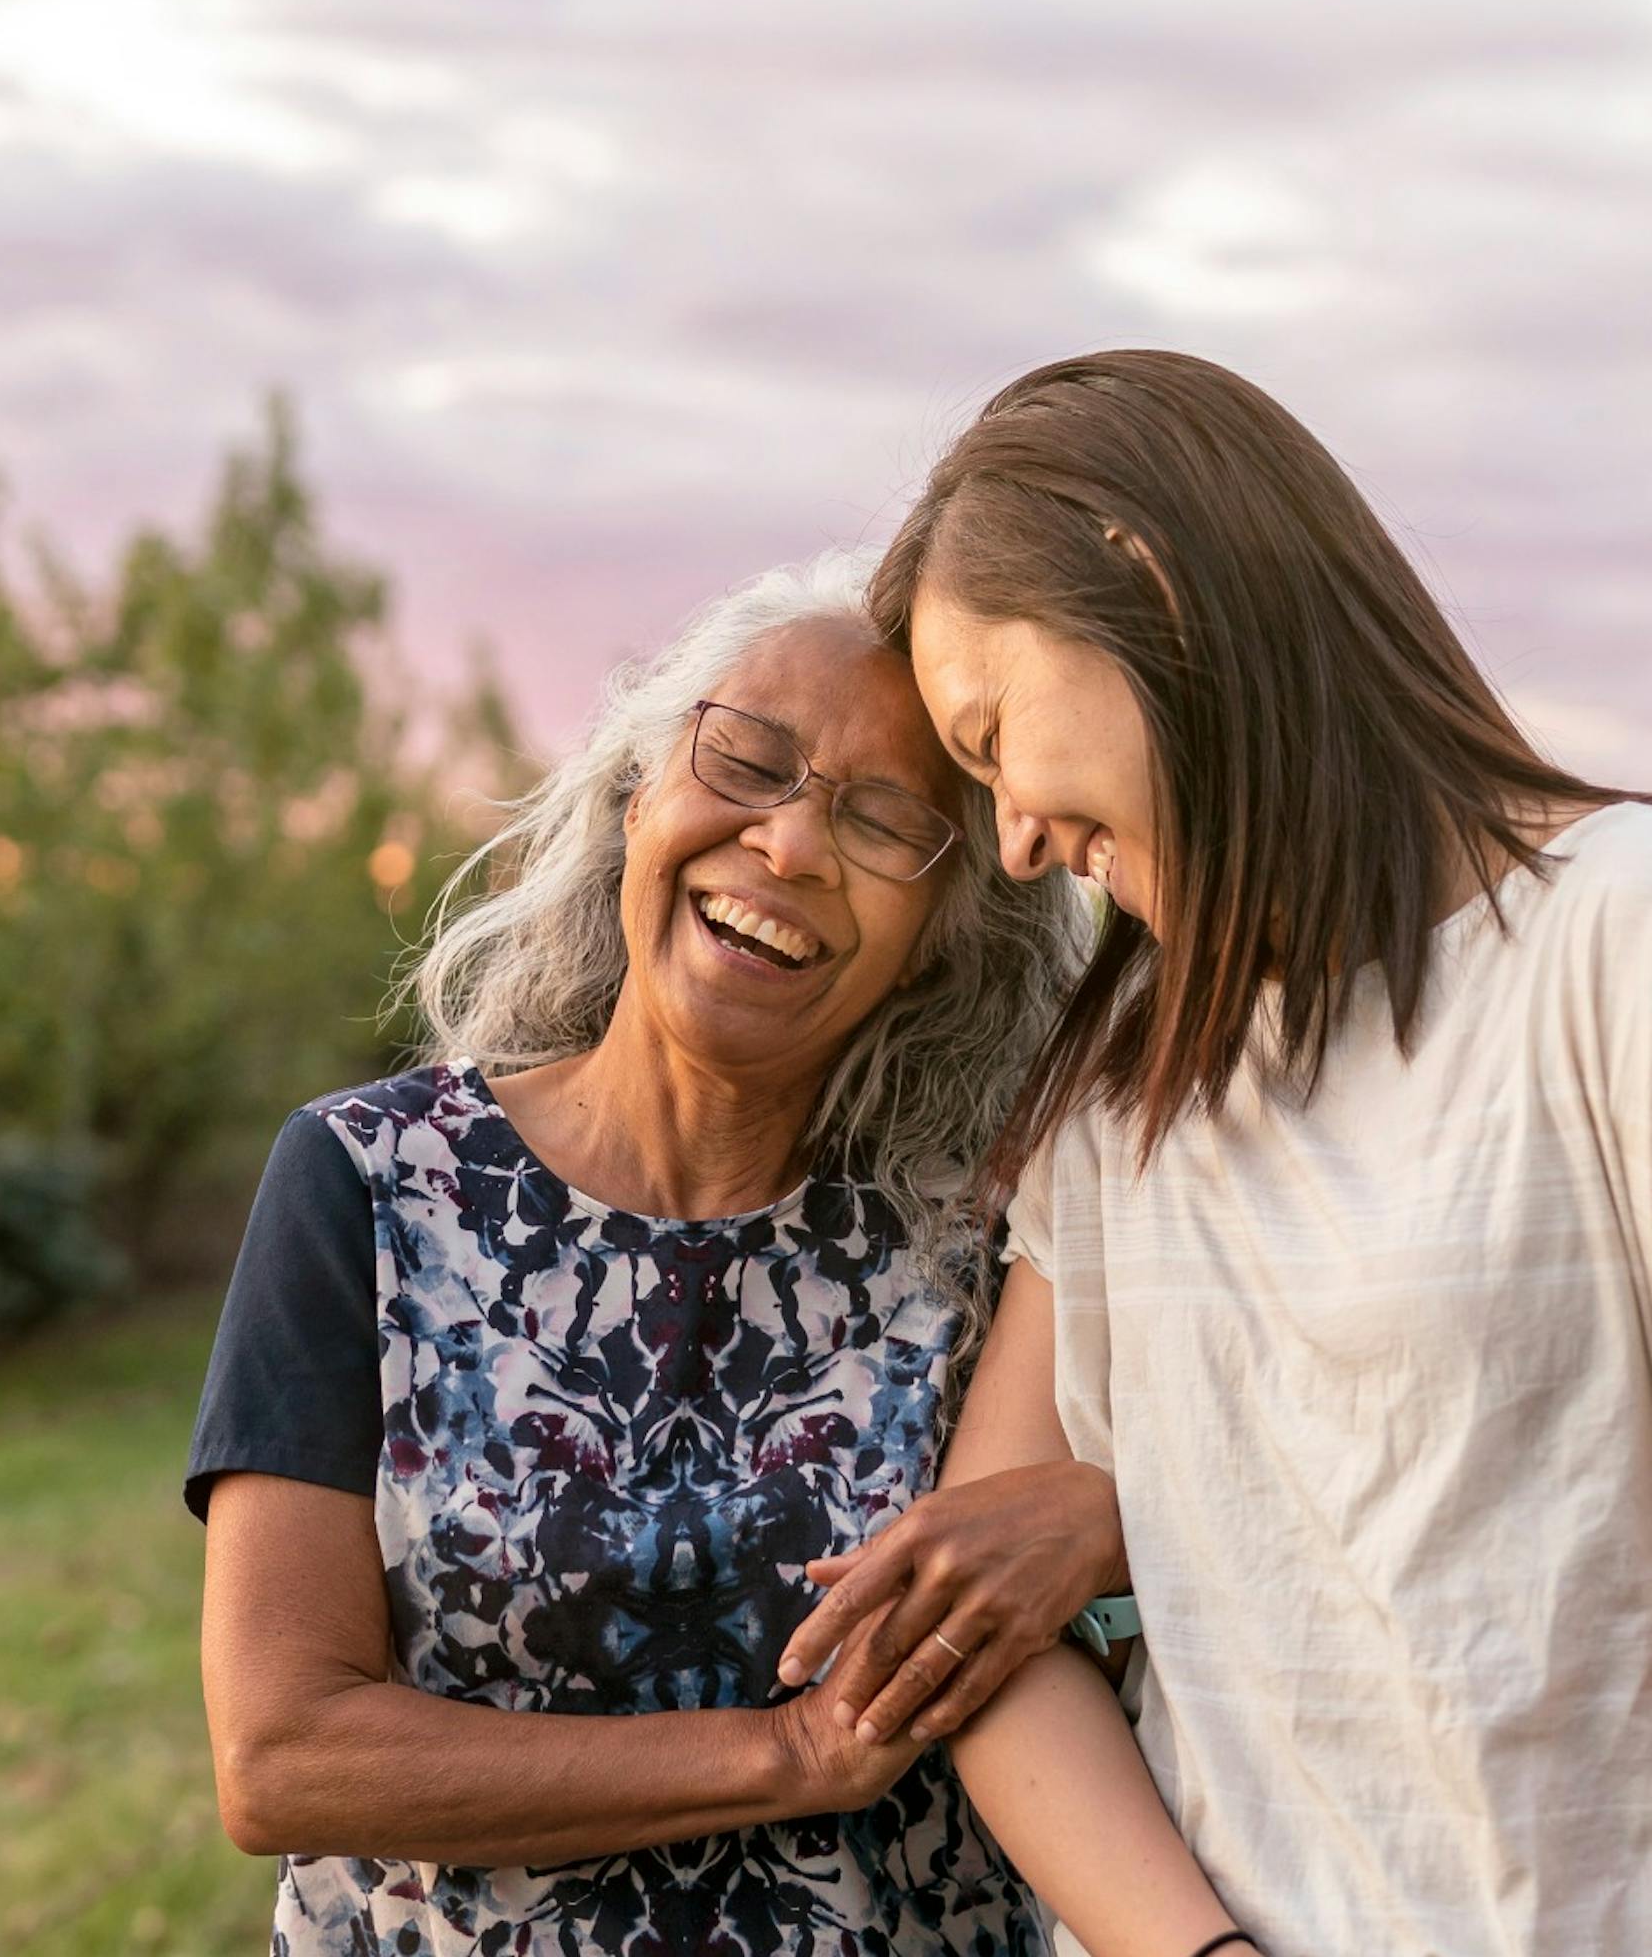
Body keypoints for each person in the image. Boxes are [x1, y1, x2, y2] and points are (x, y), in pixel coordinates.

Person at [790, 350, 1652, 1957]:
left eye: (997, 733)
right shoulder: (1131, 1076)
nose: (1012, 837)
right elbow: (981, 1648)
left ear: (1144, 579)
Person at [186, 553, 1096, 1953]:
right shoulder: (370, 1183)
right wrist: (784, 1755)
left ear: (938, 939)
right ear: (637, 795)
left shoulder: (987, 1243)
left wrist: (1109, 1523)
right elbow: (285, 1752)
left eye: (883, 824)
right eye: (746, 762)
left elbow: (1230, 1511)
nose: (789, 846)